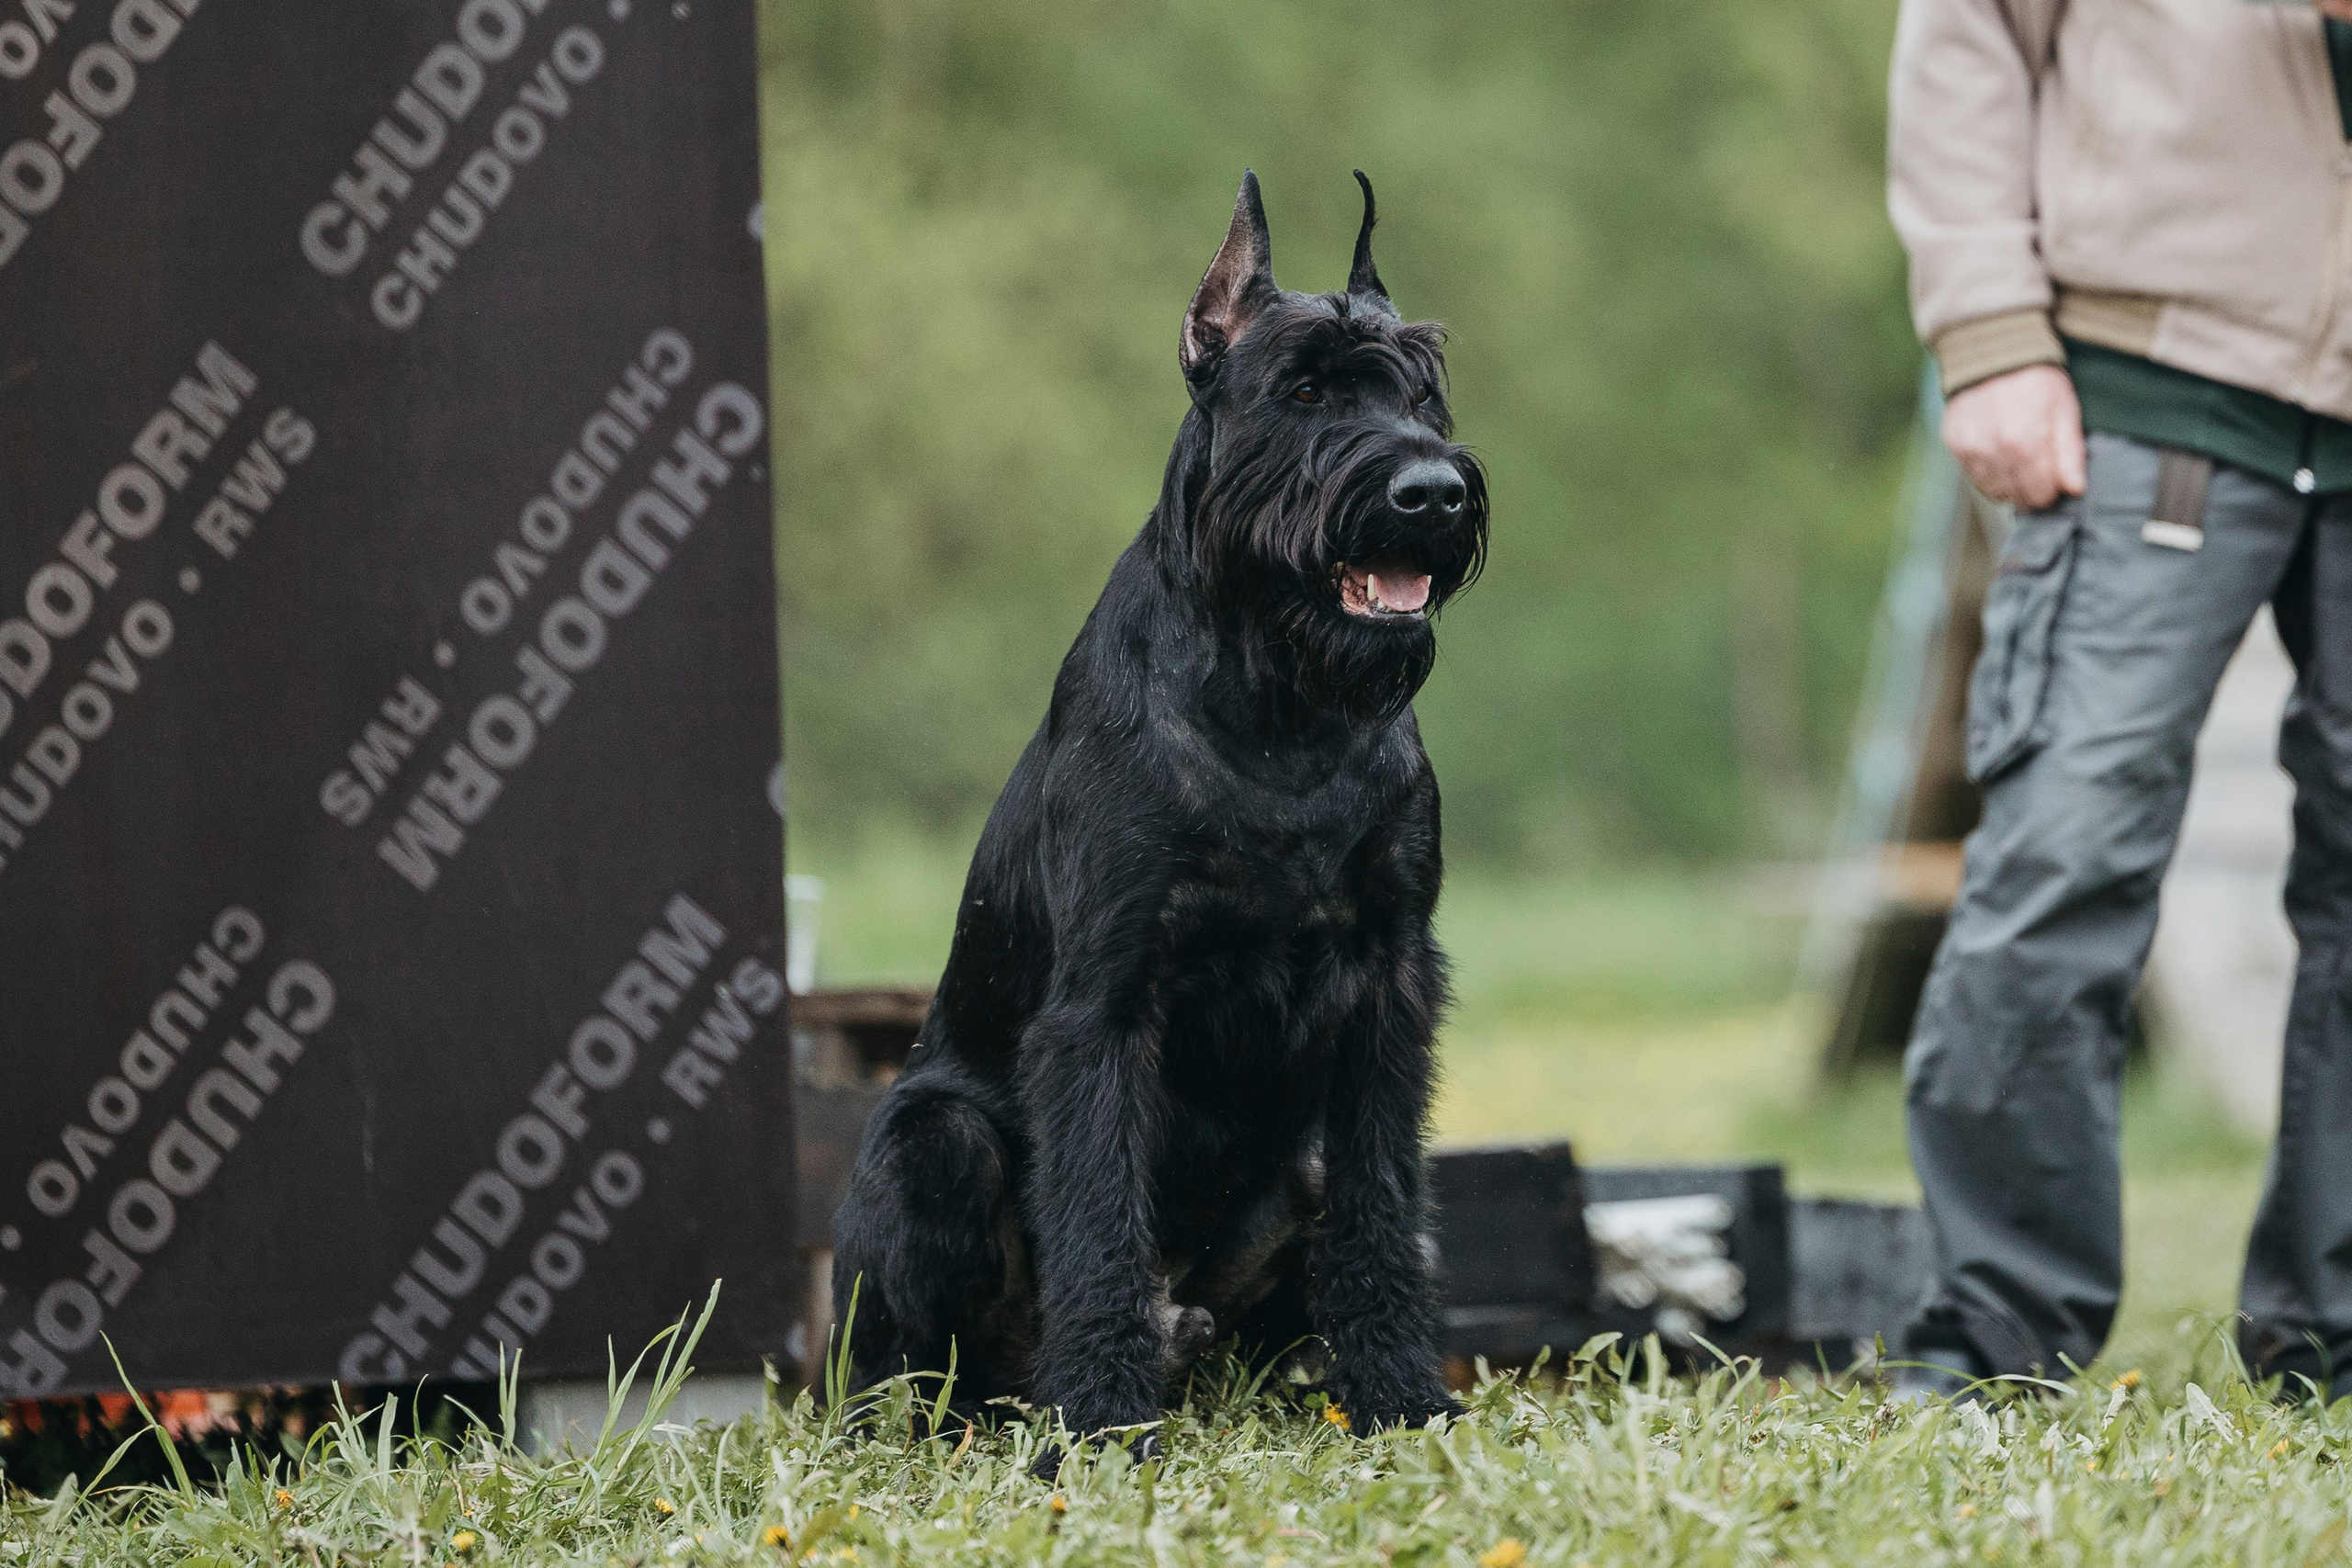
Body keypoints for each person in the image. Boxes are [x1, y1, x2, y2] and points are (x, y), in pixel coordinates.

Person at [1888, 0, 2352, 1397]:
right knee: (2065, 852)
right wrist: (1990, 334)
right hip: (2156, 383)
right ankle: (1994, 1338)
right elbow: (1965, 33)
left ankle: (2334, 1338)